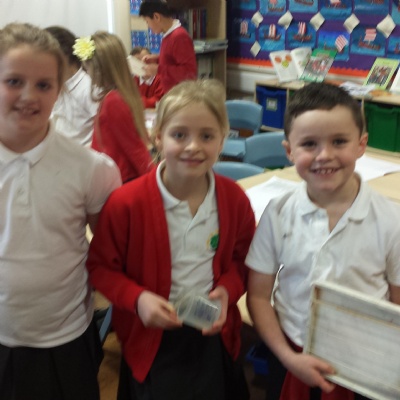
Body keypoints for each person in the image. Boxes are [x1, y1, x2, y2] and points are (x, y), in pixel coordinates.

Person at [86, 79, 255, 400]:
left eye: (207, 136)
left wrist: (227, 290)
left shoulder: (234, 199)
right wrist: (138, 299)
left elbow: (243, 260)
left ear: (223, 139)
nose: (193, 146)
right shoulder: (127, 203)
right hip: (151, 335)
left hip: (212, 332)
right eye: (179, 135)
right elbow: (100, 267)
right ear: (158, 137)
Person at [245, 82, 400, 400]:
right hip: (292, 356)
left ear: (361, 144)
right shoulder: (278, 212)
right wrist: (288, 358)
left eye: (339, 141)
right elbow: (258, 296)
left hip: (365, 365)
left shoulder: (391, 219)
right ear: (289, 151)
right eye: (309, 144)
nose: (325, 155)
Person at [0, 23, 122, 400]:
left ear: (60, 89)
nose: (28, 96)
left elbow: (111, 252)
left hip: (66, 339)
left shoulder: (90, 169)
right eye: (13, 81)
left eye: (44, 85)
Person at [73, 32, 154, 183]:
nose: (88, 74)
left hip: (120, 180)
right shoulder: (112, 97)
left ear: (99, 69)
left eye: (87, 69)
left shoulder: (114, 101)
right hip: (112, 176)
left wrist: (155, 184)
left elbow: (135, 150)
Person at [46, 25, 99, 146]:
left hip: (81, 155)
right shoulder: (53, 86)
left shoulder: (89, 88)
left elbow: (105, 132)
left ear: (63, 56)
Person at [139, 0, 197, 94]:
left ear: (156, 17)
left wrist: (158, 69)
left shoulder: (179, 37)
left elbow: (189, 72)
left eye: (147, 21)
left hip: (181, 96)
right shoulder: (168, 35)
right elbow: (173, 60)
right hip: (172, 94)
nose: (148, 26)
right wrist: (157, 59)